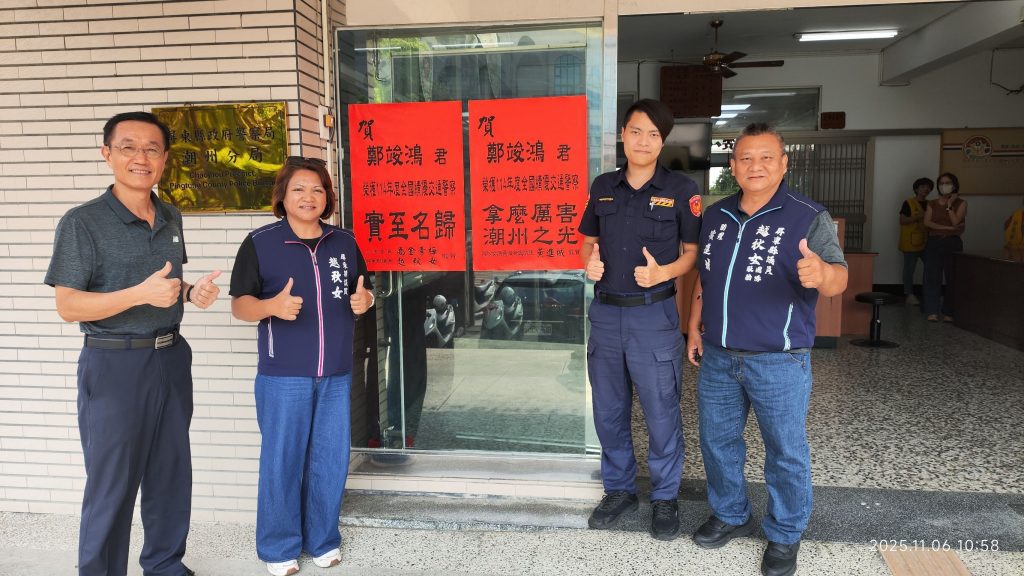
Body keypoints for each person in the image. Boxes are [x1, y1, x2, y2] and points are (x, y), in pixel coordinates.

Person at [45, 111, 220, 576]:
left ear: (164, 158)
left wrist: (191, 292)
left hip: (171, 357)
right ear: (108, 154)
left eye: (152, 149)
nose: (141, 157)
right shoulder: (82, 222)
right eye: (128, 147)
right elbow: (68, 305)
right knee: (113, 484)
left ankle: (165, 564)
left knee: (170, 472)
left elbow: (168, 283)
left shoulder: (170, 215)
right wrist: (139, 295)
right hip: (114, 364)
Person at [686, 123, 847, 576]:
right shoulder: (716, 215)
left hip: (779, 359)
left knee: (785, 450)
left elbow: (838, 277)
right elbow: (706, 276)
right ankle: (730, 513)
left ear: (783, 163)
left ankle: (785, 533)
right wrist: (694, 327)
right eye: (746, 158)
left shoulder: (807, 216)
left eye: (766, 157)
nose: (755, 166)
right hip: (719, 355)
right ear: (733, 165)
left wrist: (822, 274)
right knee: (717, 441)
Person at [229, 156, 374, 576]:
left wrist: (365, 301)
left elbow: (364, 292)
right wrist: (271, 307)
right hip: (283, 374)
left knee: (329, 459)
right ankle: (279, 548)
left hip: (336, 373)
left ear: (327, 196)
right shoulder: (261, 242)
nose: (309, 196)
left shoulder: (344, 242)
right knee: (283, 461)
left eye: (317, 189)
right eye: (298, 189)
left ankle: (323, 540)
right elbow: (240, 305)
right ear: (283, 196)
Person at [577, 99, 701, 541]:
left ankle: (665, 497)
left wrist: (663, 273)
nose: (643, 141)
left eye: (652, 134)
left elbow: (693, 254)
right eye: (635, 131)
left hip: (653, 316)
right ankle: (619, 490)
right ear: (622, 136)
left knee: (661, 411)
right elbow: (586, 242)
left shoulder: (682, 189)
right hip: (606, 314)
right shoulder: (603, 186)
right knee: (609, 411)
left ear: (662, 141)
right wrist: (588, 263)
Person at [922, 172, 967, 322]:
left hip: (952, 242)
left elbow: (956, 221)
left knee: (952, 277)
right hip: (934, 242)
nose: (944, 186)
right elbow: (927, 222)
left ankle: (949, 311)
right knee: (932, 277)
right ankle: (931, 310)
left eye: (947, 183)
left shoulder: (961, 203)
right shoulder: (932, 203)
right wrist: (947, 228)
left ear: (954, 185)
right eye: (941, 183)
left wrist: (949, 205)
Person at [898, 177, 932, 305]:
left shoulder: (931, 204)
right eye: (922, 186)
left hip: (926, 241)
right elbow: (902, 220)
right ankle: (909, 294)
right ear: (916, 189)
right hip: (910, 242)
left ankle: (928, 293)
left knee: (931, 267)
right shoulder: (908, 202)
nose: (926, 189)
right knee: (909, 269)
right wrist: (919, 216)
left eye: (928, 187)